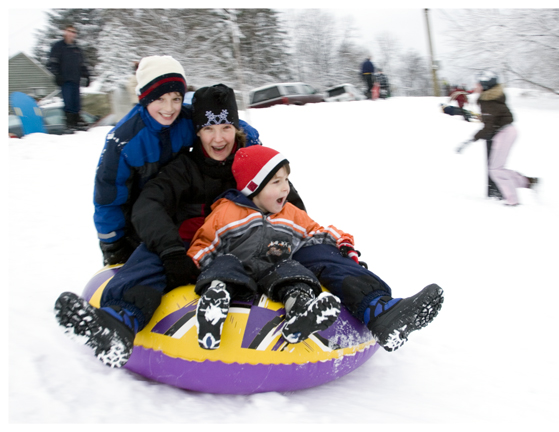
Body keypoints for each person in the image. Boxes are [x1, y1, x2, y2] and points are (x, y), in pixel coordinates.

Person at [53, 84, 302, 368]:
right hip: (194, 251)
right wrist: (170, 250)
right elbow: (148, 205)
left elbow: (290, 203)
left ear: (237, 128)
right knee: (150, 256)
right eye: (209, 129)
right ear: (197, 131)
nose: (218, 138)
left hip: (244, 252)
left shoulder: (255, 166)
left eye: (225, 127)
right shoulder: (185, 168)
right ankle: (118, 322)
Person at [93, 56, 262, 267]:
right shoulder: (124, 140)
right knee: (143, 265)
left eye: (176, 98)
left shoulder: (185, 120)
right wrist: (112, 242)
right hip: (137, 218)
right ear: (144, 98)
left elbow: (222, 120)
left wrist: (251, 143)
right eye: (159, 99)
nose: (169, 108)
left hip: (171, 207)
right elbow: (108, 196)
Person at [189, 145, 345, 349]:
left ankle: (300, 310)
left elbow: (315, 232)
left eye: (286, 180)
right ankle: (215, 302)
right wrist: (193, 265)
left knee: (292, 270)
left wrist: (343, 243)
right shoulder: (227, 213)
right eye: (276, 182)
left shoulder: (291, 214)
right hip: (237, 274)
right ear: (254, 187)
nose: (285, 188)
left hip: (273, 273)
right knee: (224, 264)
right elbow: (205, 243)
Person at [456, 71, 538, 206]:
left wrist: (470, 140)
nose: (475, 85)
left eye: (478, 83)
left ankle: (513, 202)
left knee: (495, 170)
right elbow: (492, 118)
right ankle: (528, 182)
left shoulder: (487, 101)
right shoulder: (490, 98)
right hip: (504, 132)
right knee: (497, 169)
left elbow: (488, 126)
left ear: (485, 86)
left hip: (504, 133)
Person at [46, 24, 91, 132]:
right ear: (64, 32)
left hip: (76, 79)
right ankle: (69, 123)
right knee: (68, 101)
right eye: (69, 31)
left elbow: (82, 64)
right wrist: (56, 74)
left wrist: (87, 75)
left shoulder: (77, 49)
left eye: (74, 32)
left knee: (77, 101)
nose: (71, 34)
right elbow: (52, 63)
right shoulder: (58, 46)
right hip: (65, 79)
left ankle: (77, 121)